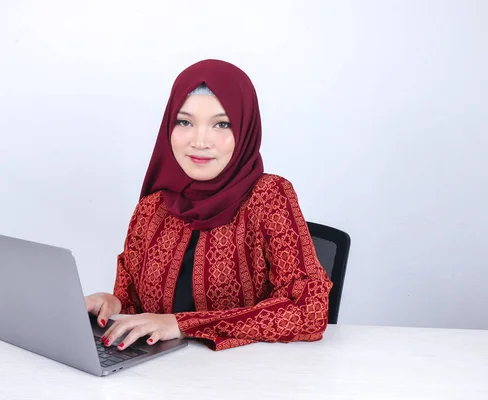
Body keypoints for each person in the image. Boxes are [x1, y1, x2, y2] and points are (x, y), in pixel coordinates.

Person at [84, 59, 333, 351]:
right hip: (158, 379)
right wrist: (113, 304)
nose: (200, 141)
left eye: (221, 124)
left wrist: (182, 324)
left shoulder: (268, 196)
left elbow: (309, 311)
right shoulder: (152, 208)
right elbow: (138, 308)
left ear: (244, 130)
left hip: (249, 379)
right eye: (185, 122)